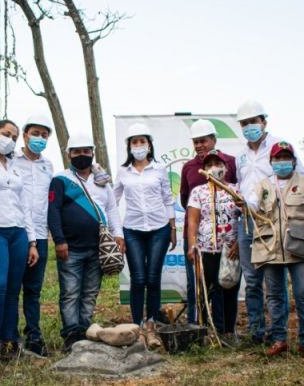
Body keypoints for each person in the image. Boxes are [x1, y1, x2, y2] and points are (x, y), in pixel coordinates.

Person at [246, 142, 304, 357]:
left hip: (299, 247)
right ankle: (279, 339)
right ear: (271, 163)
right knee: (275, 295)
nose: (281, 162)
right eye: (277, 159)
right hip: (270, 247)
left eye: (285, 158)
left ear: (294, 161)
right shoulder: (261, 186)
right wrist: (242, 202)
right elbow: (251, 205)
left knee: (303, 293)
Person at [47, 132, 123, 350]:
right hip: (70, 248)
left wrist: (118, 235)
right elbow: (53, 211)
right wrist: (59, 241)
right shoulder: (61, 180)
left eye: (86, 151)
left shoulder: (102, 181)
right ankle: (71, 333)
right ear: (69, 154)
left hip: (97, 248)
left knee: (90, 292)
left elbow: (111, 209)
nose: (82, 155)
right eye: (77, 152)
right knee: (70, 292)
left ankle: (84, 328)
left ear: (92, 153)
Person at [0, 119, 38, 358]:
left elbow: (24, 205)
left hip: (18, 233)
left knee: (13, 290)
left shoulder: (14, 166)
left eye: (14, 137)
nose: (10, 140)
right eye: (6, 134)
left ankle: (9, 341)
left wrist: (32, 241)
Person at [114, 123, 176, 347]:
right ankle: (137, 325)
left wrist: (173, 228)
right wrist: (115, 231)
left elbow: (168, 199)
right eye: (134, 142)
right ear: (129, 146)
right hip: (133, 230)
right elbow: (113, 200)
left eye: (142, 141)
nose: (138, 146)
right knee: (138, 279)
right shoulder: (123, 172)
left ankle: (151, 324)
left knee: (153, 278)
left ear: (149, 145)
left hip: (159, 229)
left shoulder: (159, 169)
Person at [234, 100, 286, 345]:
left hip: (269, 220)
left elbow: (298, 176)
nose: (249, 127)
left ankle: (278, 333)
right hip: (245, 222)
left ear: (264, 121)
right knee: (251, 279)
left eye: (253, 122)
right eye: (244, 123)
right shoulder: (240, 156)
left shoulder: (279, 146)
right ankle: (256, 332)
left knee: (273, 280)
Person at [179, 119, 237, 324]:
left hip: (226, 240)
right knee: (196, 283)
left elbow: (238, 198)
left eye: (203, 141)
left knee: (226, 283)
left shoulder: (230, 161)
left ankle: (224, 328)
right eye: (195, 142)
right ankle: (196, 325)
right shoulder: (188, 167)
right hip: (196, 238)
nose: (199, 145)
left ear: (214, 139)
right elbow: (185, 200)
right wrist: (193, 238)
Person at [185, 151, 241, 336]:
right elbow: (193, 220)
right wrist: (192, 245)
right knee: (204, 291)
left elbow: (245, 219)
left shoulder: (236, 190)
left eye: (218, 164)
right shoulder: (198, 192)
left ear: (226, 168)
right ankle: (203, 330)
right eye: (209, 165)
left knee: (228, 289)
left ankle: (227, 331)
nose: (214, 168)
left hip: (230, 250)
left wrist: (239, 244)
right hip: (206, 249)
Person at [14, 113, 55, 357]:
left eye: (44, 135)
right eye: (35, 133)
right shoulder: (11, 160)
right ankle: (9, 333)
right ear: (25, 134)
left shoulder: (47, 166)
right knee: (10, 287)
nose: (39, 138)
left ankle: (33, 334)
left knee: (33, 288)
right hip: (15, 231)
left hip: (40, 233)